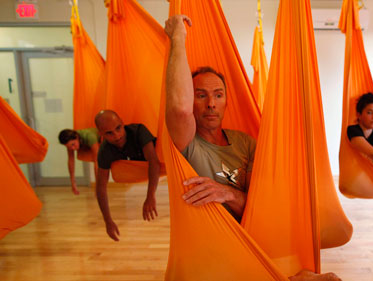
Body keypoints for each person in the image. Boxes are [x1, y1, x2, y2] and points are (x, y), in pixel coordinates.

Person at [164, 14, 341, 281]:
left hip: (254, 239)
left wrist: (228, 194)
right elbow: (178, 109)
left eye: (218, 95)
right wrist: (178, 38)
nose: (211, 103)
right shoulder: (187, 144)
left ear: (226, 102)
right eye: (200, 95)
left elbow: (263, 206)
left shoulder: (244, 142)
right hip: (211, 249)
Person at [94, 110, 161, 241]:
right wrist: (108, 221)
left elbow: (154, 162)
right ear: (101, 134)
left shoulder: (138, 131)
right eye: (109, 133)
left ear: (122, 123)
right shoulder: (105, 150)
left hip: (159, 161)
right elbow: (101, 187)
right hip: (135, 169)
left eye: (118, 128)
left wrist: (150, 196)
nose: (117, 135)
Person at [58, 128, 100, 195]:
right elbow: (71, 160)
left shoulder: (90, 137)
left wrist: (98, 188)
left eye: (73, 144)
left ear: (77, 137)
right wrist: (73, 183)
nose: (73, 148)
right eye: (69, 147)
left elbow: (97, 162)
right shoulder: (70, 143)